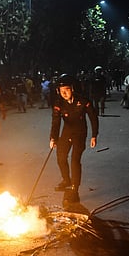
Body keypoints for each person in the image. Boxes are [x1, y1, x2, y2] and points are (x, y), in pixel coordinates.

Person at [50, 74, 99, 203]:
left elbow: (93, 118)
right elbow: (55, 122)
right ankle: (66, 179)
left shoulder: (83, 101)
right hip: (67, 131)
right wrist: (53, 138)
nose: (64, 93)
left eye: (67, 89)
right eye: (61, 91)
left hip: (80, 133)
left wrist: (94, 135)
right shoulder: (58, 103)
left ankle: (74, 189)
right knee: (61, 157)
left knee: (74, 160)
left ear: (72, 89)